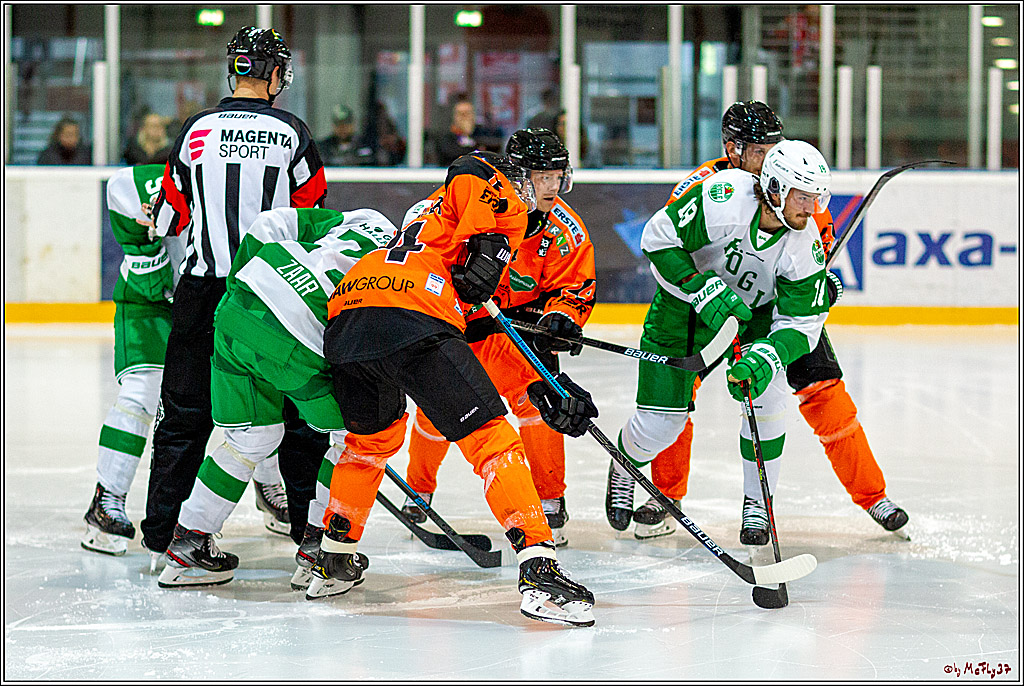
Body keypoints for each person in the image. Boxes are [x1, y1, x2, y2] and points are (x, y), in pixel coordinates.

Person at [314, 151, 598, 627]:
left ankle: (333, 558)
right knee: (492, 439)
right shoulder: (499, 200)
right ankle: (538, 569)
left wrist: (540, 374)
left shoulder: (432, 216)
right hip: (412, 312)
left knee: (369, 445)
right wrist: (494, 236)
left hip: (349, 315)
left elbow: (477, 314)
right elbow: (469, 166)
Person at [607, 101, 910, 542]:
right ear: (732, 149)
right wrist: (699, 287)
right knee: (673, 406)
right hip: (697, 307)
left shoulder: (796, 189)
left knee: (819, 395)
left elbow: (809, 267)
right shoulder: (715, 190)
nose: (771, 155)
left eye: (775, 146)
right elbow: (664, 241)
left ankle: (866, 497)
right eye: (760, 150)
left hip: (768, 311)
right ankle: (663, 493)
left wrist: (821, 287)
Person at [145, 26, 329, 565]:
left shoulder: (195, 130)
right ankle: (309, 539)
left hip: (202, 291)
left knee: (183, 414)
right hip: (271, 293)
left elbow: (169, 213)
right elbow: (310, 218)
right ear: (273, 74)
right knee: (301, 415)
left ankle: (163, 535)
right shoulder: (293, 133)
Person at [158, 206, 398, 588]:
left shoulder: (368, 217)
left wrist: (244, 281)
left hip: (239, 307)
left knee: (250, 440)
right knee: (352, 439)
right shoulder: (414, 268)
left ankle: (189, 545)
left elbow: (268, 223)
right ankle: (320, 550)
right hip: (298, 336)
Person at [612, 138, 833, 549]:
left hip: (756, 318)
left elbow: (803, 321)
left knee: (767, 405)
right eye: (803, 197)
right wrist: (700, 287)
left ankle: (757, 502)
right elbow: (658, 239)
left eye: (816, 198)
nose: (812, 209)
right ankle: (625, 466)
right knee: (661, 424)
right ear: (776, 189)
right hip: (683, 309)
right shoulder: (722, 197)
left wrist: (771, 352)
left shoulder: (804, 241)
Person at [400, 129, 595, 547]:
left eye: (558, 176)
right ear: (518, 176)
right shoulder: (464, 202)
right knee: (438, 408)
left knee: (540, 399)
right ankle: (419, 489)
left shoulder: (565, 230)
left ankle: (548, 498)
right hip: (460, 327)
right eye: (542, 177)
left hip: (511, 335)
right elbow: (426, 261)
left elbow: (575, 286)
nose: (552, 187)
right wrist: (460, 312)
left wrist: (561, 318)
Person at [81, 164, 183, 556]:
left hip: (206, 301)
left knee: (255, 393)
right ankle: (106, 501)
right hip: (148, 306)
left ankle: (269, 485)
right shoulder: (150, 184)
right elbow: (123, 187)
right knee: (141, 392)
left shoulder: (249, 183)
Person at [434, 94, 501, 166]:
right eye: (461, 114)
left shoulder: (481, 133)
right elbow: (450, 155)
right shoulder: (445, 138)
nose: (464, 117)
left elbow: (494, 149)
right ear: (453, 116)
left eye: (468, 113)